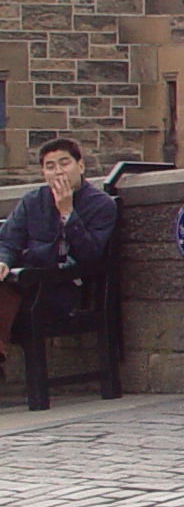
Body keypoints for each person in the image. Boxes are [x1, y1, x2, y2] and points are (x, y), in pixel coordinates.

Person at [0, 137, 120, 374]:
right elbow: (8, 241)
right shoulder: (32, 201)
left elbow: (89, 254)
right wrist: (2, 261)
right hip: (24, 282)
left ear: (80, 166)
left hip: (62, 288)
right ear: (43, 172)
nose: (58, 172)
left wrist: (67, 213)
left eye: (64, 164)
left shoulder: (101, 205)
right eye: (50, 166)